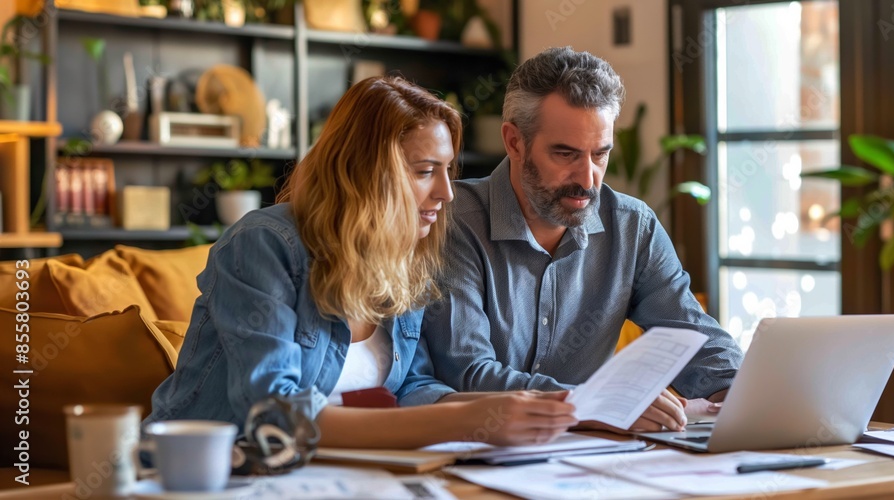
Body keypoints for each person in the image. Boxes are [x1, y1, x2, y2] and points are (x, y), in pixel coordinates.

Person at [146, 76, 577, 449]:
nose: (447, 193)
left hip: (337, 473)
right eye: (425, 171)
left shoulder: (406, 259)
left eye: (447, 170)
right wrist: (463, 420)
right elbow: (273, 413)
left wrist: (508, 408)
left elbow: (411, 386)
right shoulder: (264, 245)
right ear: (364, 173)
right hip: (217, 473)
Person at [421, 47, 745, 433]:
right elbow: (469, 376)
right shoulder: (452, 222)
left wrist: (744, 392)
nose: (588, 179)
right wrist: (595, 404)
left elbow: (693, 336)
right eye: (566, 154)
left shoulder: (632, 227)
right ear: (514, 142)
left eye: (600, 155)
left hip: (591, 458)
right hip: (475, 453)